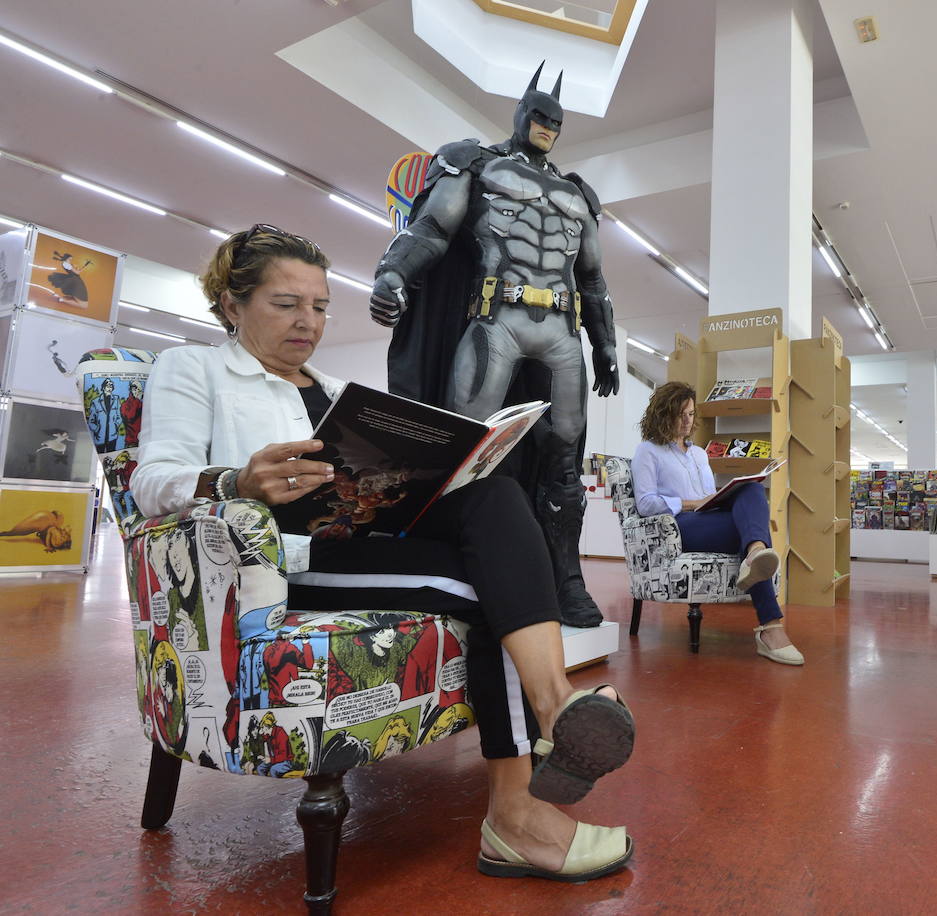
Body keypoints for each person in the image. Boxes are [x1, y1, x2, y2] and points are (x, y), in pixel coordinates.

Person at [131, 225, 635, 882]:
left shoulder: (337, 390)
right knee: (494, 590)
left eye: (318, 306)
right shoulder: (193, 368)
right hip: (283, 563)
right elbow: (151, 483)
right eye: (286, 304)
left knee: (497, 498)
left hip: (364, 538)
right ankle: (521, 802)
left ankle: (550, 711)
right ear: (232, 304)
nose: (307, 322)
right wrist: (235, 480)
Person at [369, 62, 618, 630]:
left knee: (563, 459)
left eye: (556, 121)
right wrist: (393, 276)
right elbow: (433, 229)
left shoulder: (579, 195)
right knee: (464, 448)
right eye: (539, 115)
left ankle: (566, 579)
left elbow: (594, 280)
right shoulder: (475, 163)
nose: (548, 126)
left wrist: (604, 345)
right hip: (496, 316)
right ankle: (453, 563)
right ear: (520, 113)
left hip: (559, 327)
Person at [630, 381, 802, 666]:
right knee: (745, 529)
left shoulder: (698, 453)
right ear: (664, 414)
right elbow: (645, 503)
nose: (688, 421)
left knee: (752, 490)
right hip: (679, 526)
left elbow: (707, 495)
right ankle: (770, 629)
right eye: (681, 414)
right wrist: (689, 503)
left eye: (691, 414)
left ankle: (756, 553)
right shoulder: (647, 451)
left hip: (707, 517)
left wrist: (719, 497)